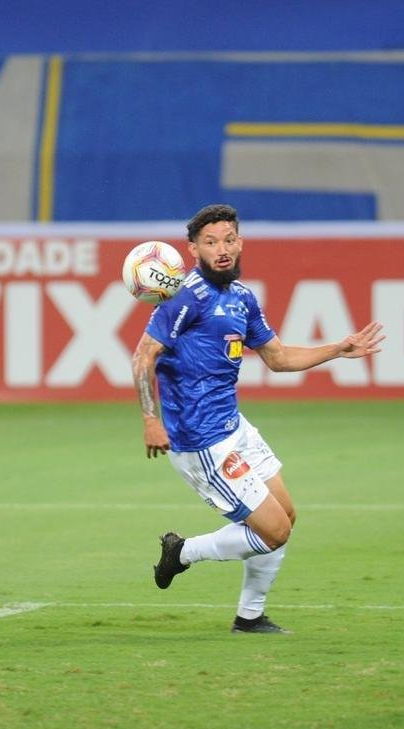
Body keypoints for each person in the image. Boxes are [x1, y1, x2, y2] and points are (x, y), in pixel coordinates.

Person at [133, 204, 384, 633]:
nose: (222, 249)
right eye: (210, 243)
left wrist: (337, 349)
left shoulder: (242, 298)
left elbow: (279, 358)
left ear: (241, 242)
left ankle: (249, 617)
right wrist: (150, 419)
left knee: (286, 516)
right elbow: (144, 357)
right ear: (193, 249)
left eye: (229, 240)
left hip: (234, 427)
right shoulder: (184, 298)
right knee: (273, 531)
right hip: (201, 440)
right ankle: (182, 552)